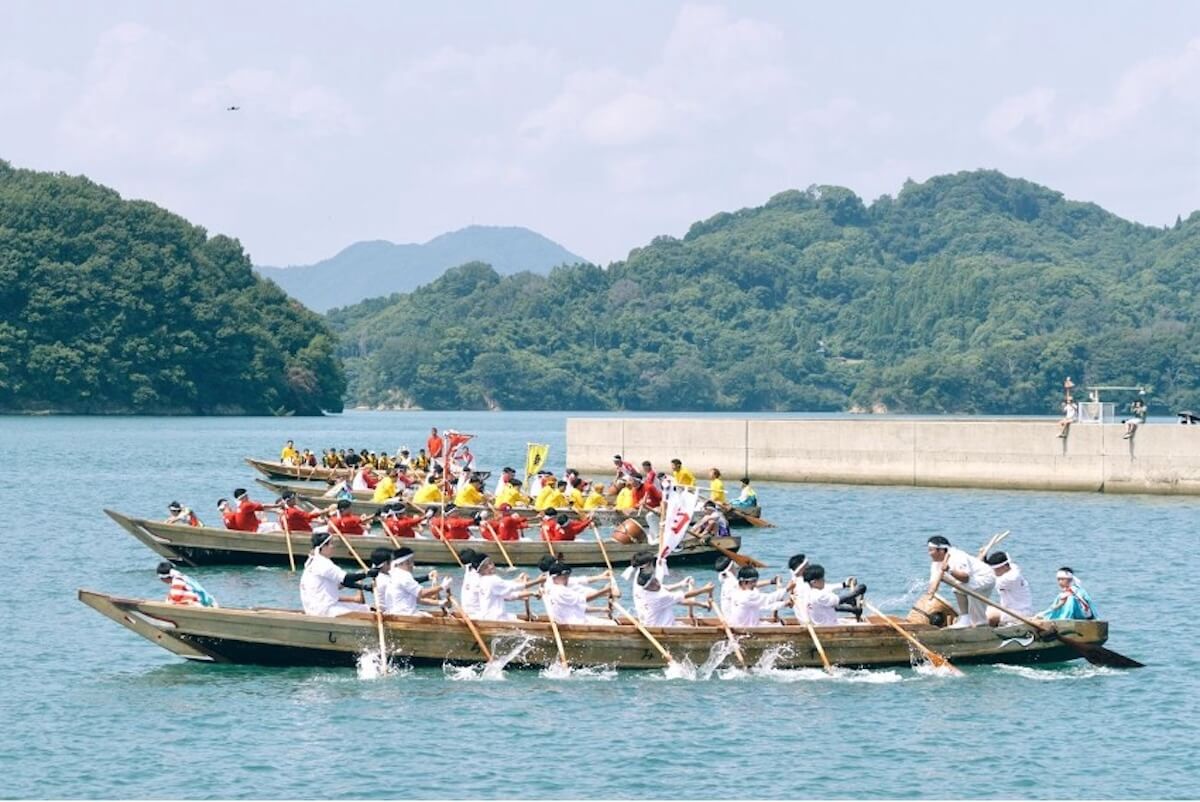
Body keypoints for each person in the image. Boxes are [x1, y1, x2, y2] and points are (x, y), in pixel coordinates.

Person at [926, 536, 996, 627]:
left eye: (931, 550)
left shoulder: (958, 556)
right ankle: (967, 619)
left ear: (941, 551)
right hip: (972, 580)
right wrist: (930, 594)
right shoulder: (936, 563)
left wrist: (949, 570)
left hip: (986, 578)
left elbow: (965, 578)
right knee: (961, 591)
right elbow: (933, 582)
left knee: (958, 588)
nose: (929, 553)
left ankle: (970, 622)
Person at [299, 532, 375, 616]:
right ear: (323, 547)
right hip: (325, 609)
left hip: (318, 607)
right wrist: (367, 574)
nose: (333, 547)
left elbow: (343, 582)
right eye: (331, 544)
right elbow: (346, 578)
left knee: (366, 608)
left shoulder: (313, 561)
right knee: (367, 614)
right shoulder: (322, 563)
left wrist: (364, 587)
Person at [371, 547, 441, 616]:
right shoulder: (384, 580)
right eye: (393, 561)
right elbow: (407, 585)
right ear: (386, 564)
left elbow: (408, 584)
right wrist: (439, 589)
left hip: (392, 611)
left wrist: (427, 578)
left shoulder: (386, 576)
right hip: (388, 613)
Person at [544, 562, 614, 625]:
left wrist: (602, 609)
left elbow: (579, 607)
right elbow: (585, 599)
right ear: (555, 577)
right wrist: (605, 590)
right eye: (565, 577)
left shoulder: (550, 588)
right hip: (575, 623)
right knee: (613, 624)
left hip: (571, 620)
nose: (567, 580)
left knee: (610, 622)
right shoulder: (560, 590)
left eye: (567, 577)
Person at [473, 554, 533, 621]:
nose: (492, 566)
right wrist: (538, 581)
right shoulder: (492, 579)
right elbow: (512, 587)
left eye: (491, 563)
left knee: (517, 619)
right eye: (487, 566)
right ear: (482, 570)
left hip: (489, 617)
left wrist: (528, 592)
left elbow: (506, 586)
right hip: (496, 618)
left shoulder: (483, 580)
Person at [981, 551, 1034, 625]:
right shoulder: (1012, 568)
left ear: (1004, 567)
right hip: (1009, 610)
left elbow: (986, 580)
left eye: (996, 570)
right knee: (980, 609)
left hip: (1019, 614)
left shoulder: (1010, 579)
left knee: (988, 614)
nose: (994, 572)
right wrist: (984, 559)